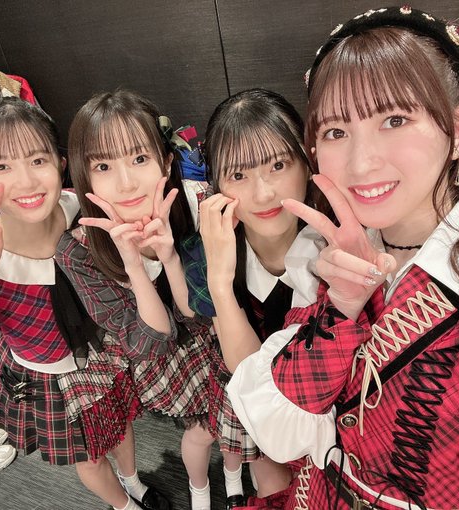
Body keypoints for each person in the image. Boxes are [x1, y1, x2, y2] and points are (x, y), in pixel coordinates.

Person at [227, 7, 459, 509]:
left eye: (395, 119)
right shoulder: (321, 253)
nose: (361, 163)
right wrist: (341, 310)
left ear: (458, 129)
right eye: (335, 131)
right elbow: (281, 434)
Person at [0, 97, 165, 510]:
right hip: (47, 377)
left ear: (60, 163)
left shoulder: (84, 209)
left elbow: (136, 278)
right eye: (1, 167)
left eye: (37, 159)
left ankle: (134, 481)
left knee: (121, 424)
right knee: (90, 455)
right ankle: (124, 505)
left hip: (105, 355)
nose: (27, 182)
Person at [57, 90, 215, 510]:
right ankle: (134, 488)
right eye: (103, 166)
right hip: (136, 355)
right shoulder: (77, 247)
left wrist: (170, 256)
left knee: (213, 421)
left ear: (166, 161)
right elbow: (149, 344)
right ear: (85, 176)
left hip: (195, 344)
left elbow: (199, 318)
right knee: (106, 442)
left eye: (139, 158)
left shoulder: (192, 206)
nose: (126, 183)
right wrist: (133, 265)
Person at [182, 88, 325, 507]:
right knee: (275, 489)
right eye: (238, 175)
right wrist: (220, 279)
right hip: (259, 404)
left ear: (307, 163)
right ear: (217, 186)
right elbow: (246, 369)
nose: (263, 194)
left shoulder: (338, 242)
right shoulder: (205, 251)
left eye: (278, 165)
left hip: (331, 409)